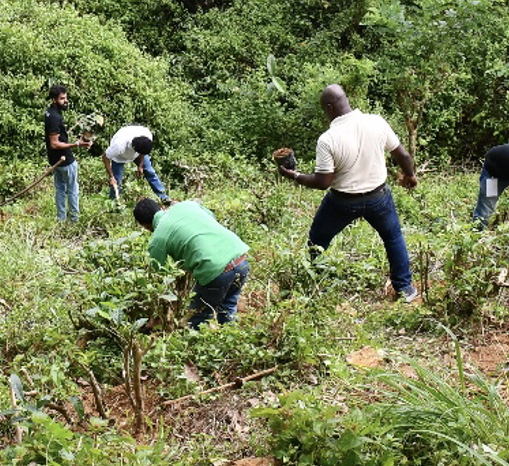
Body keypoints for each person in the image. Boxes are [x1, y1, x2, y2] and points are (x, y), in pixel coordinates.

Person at [278, 85, 420, 302]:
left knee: (317, 239)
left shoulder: (328, 139)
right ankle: (404, 288)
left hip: (342, 201)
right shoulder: (376, 121)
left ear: (329, 107)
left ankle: (316, 283)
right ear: (345, 99)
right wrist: (410, 176)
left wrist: (295, 175)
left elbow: (323, 182)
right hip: (378, 196)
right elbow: (403, 156)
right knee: (393, 237)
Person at [135, 198, 250, 327]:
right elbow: (211, 216)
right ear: (161, 207)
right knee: (228, 309)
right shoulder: (187, 205)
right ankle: (231, 335)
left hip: (215, 271)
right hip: (241, 259)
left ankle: (197, 337)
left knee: (196, 318)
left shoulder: (157, 239)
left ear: (145, 226)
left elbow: (160, 277)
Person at [44, 84, 90, 222]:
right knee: (72, 189)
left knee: (60, 189)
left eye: (66, 98)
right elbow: (54, 143)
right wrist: (77, 144)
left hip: (54, 160)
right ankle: (74, 220)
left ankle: (61, 219)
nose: (66, 101)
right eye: (62, 98)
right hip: (64, 159)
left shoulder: (49, 112)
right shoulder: (55, 117)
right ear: (54, 99)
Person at [103, 124, 171, 205]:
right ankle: (114, 204)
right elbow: (105, 157)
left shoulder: (147, 136)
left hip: (138, 150)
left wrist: (140, 165)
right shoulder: (119, 146)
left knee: (150, 171)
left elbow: (143, 153)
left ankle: (163, 197)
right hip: (118, 157)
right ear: (135, 149)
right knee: (117, 181)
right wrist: (111, 177)